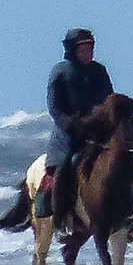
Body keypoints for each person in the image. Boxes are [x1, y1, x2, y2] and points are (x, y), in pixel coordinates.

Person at [44, 27, 114, 232]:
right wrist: (72, 125)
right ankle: (62, 216)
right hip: (68, 137)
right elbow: (54, 108)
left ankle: (128, 215)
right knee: (67, 167)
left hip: (98, 132)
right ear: (72, 51)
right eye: (83, 49)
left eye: (90, 48)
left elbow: (109, 99)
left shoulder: (99, 70)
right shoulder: (60, 71)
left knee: (126, 162)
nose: (87, 53)